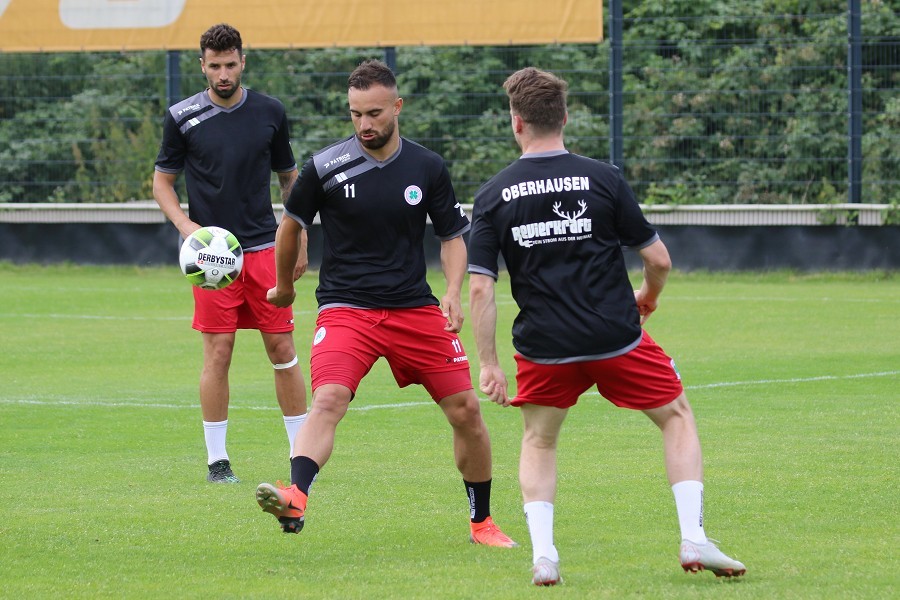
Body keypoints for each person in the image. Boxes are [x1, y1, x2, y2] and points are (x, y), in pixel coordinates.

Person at [467, 67, 747, 585]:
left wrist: (488, 364)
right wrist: (649, 296)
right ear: (565, 117)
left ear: (516, 123)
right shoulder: (604, 178)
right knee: (677, 416)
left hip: (544, 347)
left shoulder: (493, 195)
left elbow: (481, 287)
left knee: (540, 441)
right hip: (615, 337)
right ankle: (694, 538)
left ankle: (545, 556)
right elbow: (658, 259)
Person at [254, 59, 515, 547]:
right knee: (328, 398)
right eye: (355, 114)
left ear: (398, 106)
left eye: (374, 113)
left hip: (414, 308)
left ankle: (482, 523)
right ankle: (296, 495)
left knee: (466, 411)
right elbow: (290, 225)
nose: (364, 124)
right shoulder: (326, 166)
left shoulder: (427, 167)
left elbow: (453, 236)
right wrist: (285, 286)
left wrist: (454, 291)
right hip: (346, 308)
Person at [152, 23, 308, 483]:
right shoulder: (181, 116)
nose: (223, 73)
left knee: (282, 348)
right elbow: (162, 182)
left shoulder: (270, 112)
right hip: (212, 257)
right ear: (203, 65)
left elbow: (289, 180)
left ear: (243, 61)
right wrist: (185, 228)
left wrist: (298, 238)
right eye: (214, 65)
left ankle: (301, 456)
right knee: (218, 352)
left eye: (230, 64)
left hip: (264, 249)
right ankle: (217, 462)